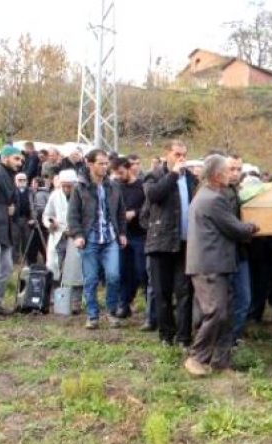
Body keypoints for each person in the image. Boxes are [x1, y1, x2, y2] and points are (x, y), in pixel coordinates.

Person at [183, 154, 258, 377]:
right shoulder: (213, 199)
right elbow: (234, 228)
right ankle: (197, 357)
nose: (232, 174)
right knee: (216, 312)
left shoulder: (207, 194)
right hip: (209, 265)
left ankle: (220, 362)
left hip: (218, 263)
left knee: (226, 313)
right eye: (227, 170)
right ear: (217, 175)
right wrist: (252, 227)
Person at [144, 140, 198, 348]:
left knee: (185, 292)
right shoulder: (155, 175)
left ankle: (184, 337)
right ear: (167, 154)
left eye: (184, 154)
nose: (181, 158)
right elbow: (153, 195)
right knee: (162, 292)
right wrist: (173, 174)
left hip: (185, 243)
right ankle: (166, 335)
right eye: (177, 154)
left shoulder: (191, 178)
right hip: (161, 242)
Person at [67, 149, 127, 330]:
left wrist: (122, 233)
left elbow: (121, 212)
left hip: (110, 237)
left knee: (114, 276)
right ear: (89, 164)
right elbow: (73, 215)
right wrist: (78, 235)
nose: (104, 166)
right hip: (89, 238)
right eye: (100, 163)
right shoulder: (80, 187)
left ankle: (111, 311)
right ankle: (92, 315)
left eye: (106, 163)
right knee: (91, 278)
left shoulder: (113, 186)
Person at [111, 156, 147, 320]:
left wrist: (135, 213)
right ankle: (124, 304)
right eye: (116, 174)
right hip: (123, 235)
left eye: (121, 173)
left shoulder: (142, 186)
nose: (119, 176)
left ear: (128, 168)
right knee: (123, 272)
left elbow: (149, 207)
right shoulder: (116, 186)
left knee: (143, 272)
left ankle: (150, 308)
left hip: (140, 235)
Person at [42, 170, 83, 313]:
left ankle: (75, 301)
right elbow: (47, 214)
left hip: (76, 237)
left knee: (76, 270)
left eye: (69, 186)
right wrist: (50, 223)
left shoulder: (83, 195)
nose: (66, 189)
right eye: (64, 186)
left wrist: (75, 230)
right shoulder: (55, 195)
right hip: (58, 236)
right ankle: (57, 299)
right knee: (56, 268)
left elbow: (88, 217)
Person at [224, 155, 252, 343]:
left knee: (243, 298)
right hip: (224, 255)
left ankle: (232, 338)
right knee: (231, 300)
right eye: (231, 169)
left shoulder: (235, 191)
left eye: (238, 169)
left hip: (239, 253)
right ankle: (227, 339)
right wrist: (250, 229)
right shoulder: (218, 193)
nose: (235, 173)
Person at [0, 146, 23, 314]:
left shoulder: (9, 175)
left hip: (4, 229)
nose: (20, 163)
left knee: (6, 269)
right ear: (5, 158)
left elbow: (13, 201)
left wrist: (11, 207)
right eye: (16, 159)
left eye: (21, 160)